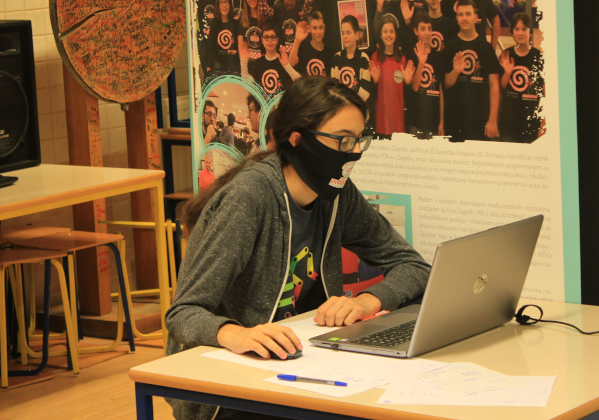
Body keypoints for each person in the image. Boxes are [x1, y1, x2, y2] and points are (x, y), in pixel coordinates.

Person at [166, 77, 430, 420]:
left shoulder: (336, 194)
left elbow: (414, 266)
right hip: (229, 389)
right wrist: (237, 335)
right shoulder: (250, 198)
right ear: (297, 139)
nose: (353, 152)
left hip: (303, 366)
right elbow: (183, 314)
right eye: (342, 140)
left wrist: (367, 301)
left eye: (358, 140)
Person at [442, 0, 503, 142]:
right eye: (460, 14)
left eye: (468, 14)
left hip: (481, 121)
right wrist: (455, 72)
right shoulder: (450, 47)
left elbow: (494, 86)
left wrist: (493, 120)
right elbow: (446, 84)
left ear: (476, 18)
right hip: (455, 121)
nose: (464, 18)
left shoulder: (486, 48)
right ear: (456, 18)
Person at [498, 12, 545, 143]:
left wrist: (543, 125)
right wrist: (507, 72)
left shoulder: (539, 57)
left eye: (524, 29)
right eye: (517, 29)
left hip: (532, 124)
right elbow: (500, 89)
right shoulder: (506, 54)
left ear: (530, 32)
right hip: (508, 125)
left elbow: (546, 94)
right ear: (512, 33)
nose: (520, 33)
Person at [370, 15, 414, 136]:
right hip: (381, 121)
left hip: (398, 121)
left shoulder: (402, 59)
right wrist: (374, 81)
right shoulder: (375, 57)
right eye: (385, 31)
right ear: (380, 35)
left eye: (391, 31)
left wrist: (408, 83)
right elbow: (371, 93)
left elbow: (407, 95)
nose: (388, 35)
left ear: (396, 35)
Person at [331, 15, 375, 127]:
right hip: (341, 114)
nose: (345, 36)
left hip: (359, 115)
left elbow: (365, 92)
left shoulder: (363, 58)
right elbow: (334, 88)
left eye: (348, 33)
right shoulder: (337, 58)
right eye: (343, 33)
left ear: (357, 35)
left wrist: (351, 107)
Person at [405, 12, 443, 138]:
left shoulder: (438, 56)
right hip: (416, 122)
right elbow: (415, 87)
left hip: (434, 122)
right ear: (416, 31)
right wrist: (421, 63)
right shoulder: (411, 54)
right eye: (423, 29)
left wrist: (442, 121)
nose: (427, 33)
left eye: (429, 28)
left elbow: (441, 90)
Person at [246, 23, 301, 95]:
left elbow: (299, 81)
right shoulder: (258, 63)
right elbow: (249, 87)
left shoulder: (284, 59)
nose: (270, 40)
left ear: (277, 40)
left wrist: (287, 66)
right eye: (266, 37)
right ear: (262, 40)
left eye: (272, 37)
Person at [289, 11, 335, 77]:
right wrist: (297, 40)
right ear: (309, 28)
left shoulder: (330, 53)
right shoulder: (303, 49)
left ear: (324, 27)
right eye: (314, 28)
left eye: (321, 27)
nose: (318, 32)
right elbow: (290, 64)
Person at [204, 0, 239, 76]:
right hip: (219, 68)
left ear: (230, 4)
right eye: (221, 2)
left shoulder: (236, 24)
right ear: (218, 6)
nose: (224, 5)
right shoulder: (214, 24)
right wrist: (209, 66)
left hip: (234, 67)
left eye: (226, 2)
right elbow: (211, 47)